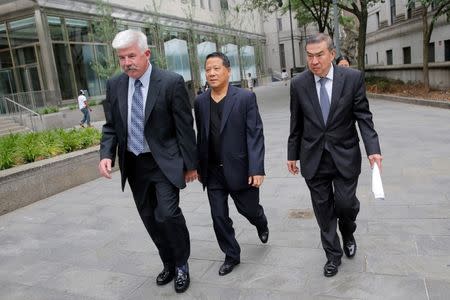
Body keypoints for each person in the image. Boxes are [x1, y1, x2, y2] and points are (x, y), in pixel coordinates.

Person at [98, 29, 197, 293]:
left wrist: (190, 165)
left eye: (131, 56)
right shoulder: (115, 85)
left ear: (146, 53)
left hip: (164, 162)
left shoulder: (171, 82)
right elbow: (111, 126)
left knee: (167, 214)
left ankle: (181, 265)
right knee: (150, 218)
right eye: (121, 57)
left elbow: (185, 128)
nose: (126, 62)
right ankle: (168, 262)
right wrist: (106, 155)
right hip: (134, 165)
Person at [287, 33, 382, 277]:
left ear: (331, 53)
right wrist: (292, 153)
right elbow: (296, 122)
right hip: (313, 157)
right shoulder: (299, 84)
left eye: (319, 55)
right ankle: (333, 255)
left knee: (346, 205)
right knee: (323, 210)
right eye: (309, 56)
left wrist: (373, 149)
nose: (314, 61)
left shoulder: (351, 78)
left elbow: (363, 115)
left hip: (345, 155)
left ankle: (348, 231)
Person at [194, 52, 269, 276]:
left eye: (216, 68)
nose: (212, 73)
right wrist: (199, 166)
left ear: (228, 71)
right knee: (218, 216)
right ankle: (231, 254)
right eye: (208, 69)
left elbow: (255, 134)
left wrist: (256, 168)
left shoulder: (245, 98)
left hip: (240, 169)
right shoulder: (200, 102)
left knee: (249, 210)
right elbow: (201, 136)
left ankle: (261, 222)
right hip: (213, 171)